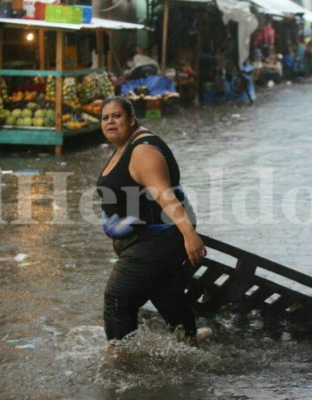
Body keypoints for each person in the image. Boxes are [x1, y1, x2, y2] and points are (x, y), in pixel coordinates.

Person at [96, 96, 208, 357]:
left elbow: (164, 195)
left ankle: (120, 360)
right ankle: (189, 342)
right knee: (163, 289)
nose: (110, 121)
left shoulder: (142, 151)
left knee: (118, 297)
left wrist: (189, 234)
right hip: (145, 239)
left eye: (117, 116)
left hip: (155, 239)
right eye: (105, 117)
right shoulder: (125, 145)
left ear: (132, 119)